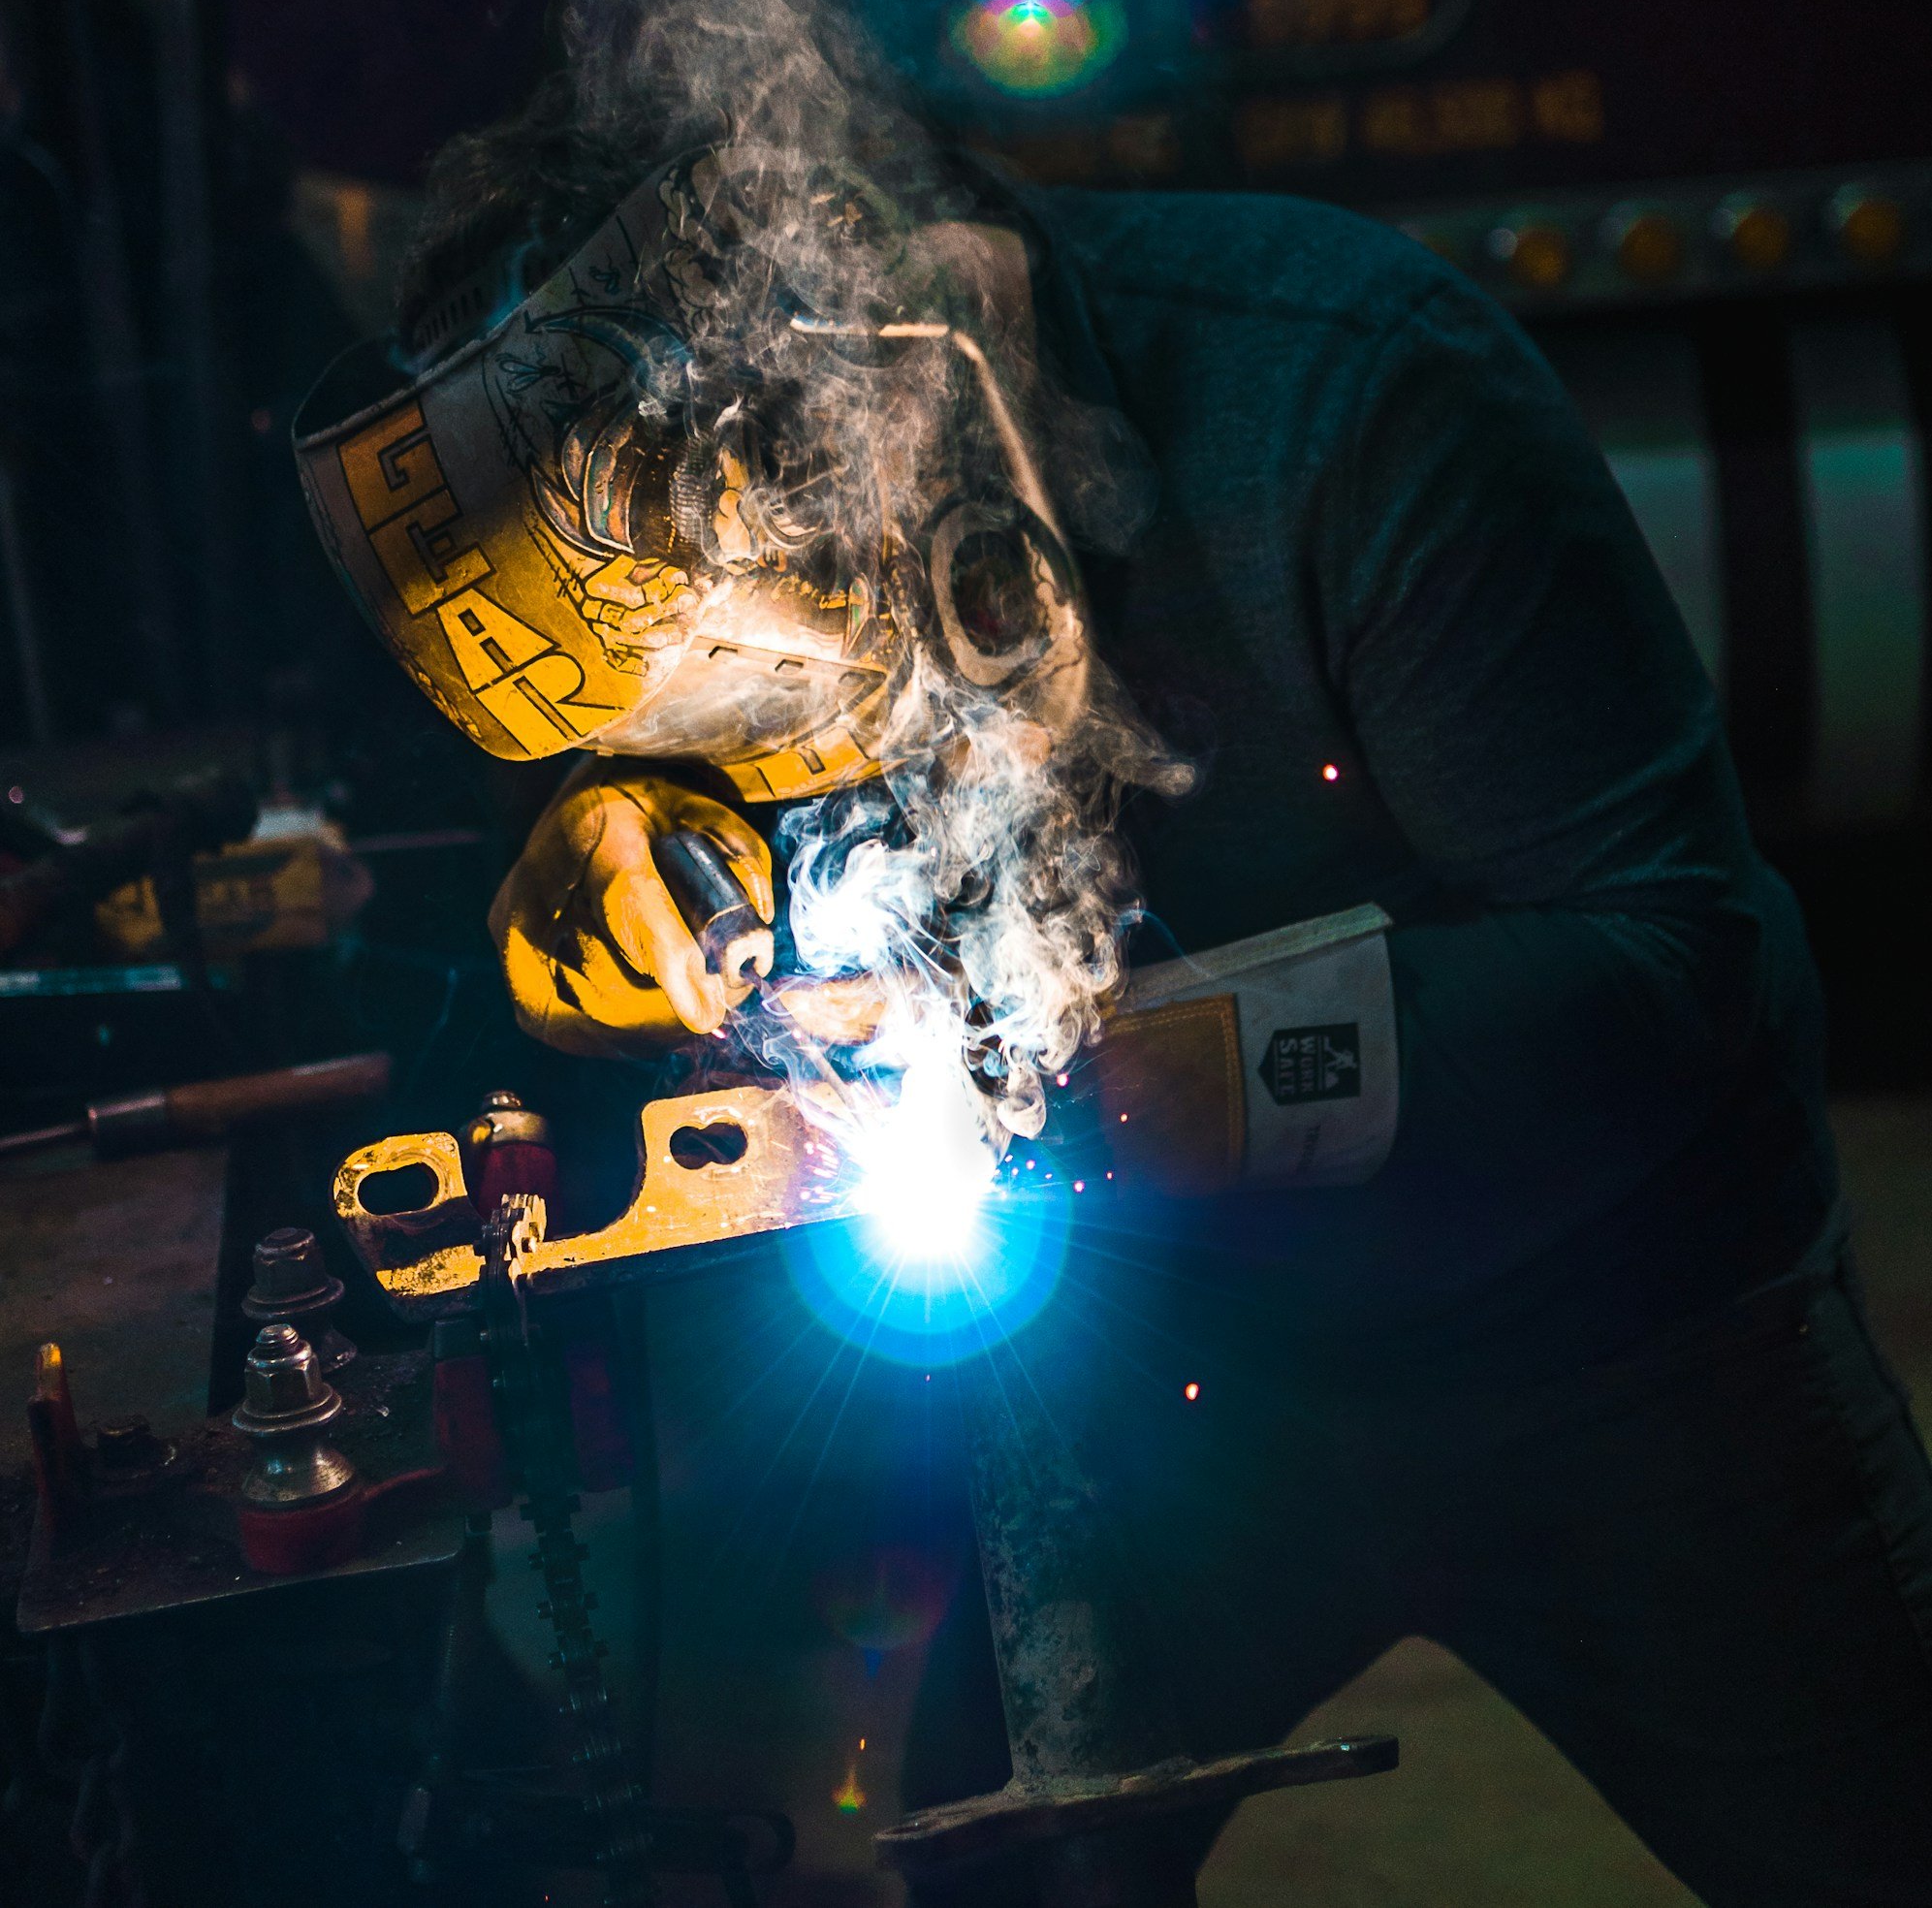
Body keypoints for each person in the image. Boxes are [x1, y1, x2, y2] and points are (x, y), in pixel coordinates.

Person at [296, 135, 1932, 1908]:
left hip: (1619, 1335)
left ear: (859, 386)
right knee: (1011, 1866)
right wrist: (607, 847)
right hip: (1194, 1387)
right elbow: (639, 788)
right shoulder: (640, 550)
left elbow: (1665, 971)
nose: (780, 757)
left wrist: (1093, 1075)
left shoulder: (1343, 395)